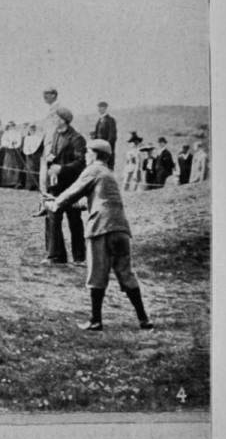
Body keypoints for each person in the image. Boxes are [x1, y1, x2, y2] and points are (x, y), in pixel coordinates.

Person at [44, 139, 154, 332]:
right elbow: (94, 201)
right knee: (126, 273)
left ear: (95, 154)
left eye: (87, 152)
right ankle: (144, 319)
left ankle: (96, 321)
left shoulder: (93, 170)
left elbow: (73, 192)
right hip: (121, 229)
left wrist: (54, 204)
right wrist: (59, 202)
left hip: (101, 228)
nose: (86, 155)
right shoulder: (108, 174)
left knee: (96, 273)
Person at [43, 107, 87, 264]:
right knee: (53, 219)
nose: (53, 120)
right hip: (56, 186)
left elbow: (81, 162)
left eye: (55, 117)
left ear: (63, 120)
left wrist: (62, 168)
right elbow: (56, 157)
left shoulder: (77, 139)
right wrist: (51, 160)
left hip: (71, 187)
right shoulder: (56, 135)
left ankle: (79, 257)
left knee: (74, 221)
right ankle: (56, 256)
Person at [93, 102, 118, 169]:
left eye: (101, 107)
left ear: (105, 108)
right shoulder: (99, 121)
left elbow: (112, 136)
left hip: (107, 151)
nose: (99, 109)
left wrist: (106, 148)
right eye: (98, 107)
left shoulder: (110, 120)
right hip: (99, 151)